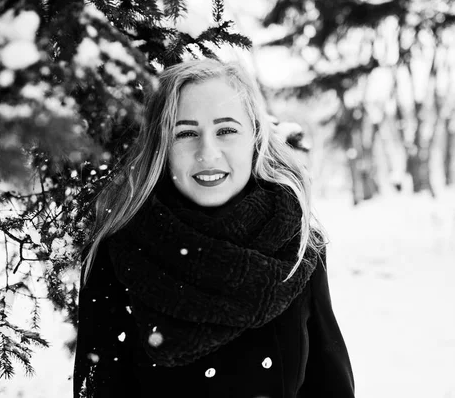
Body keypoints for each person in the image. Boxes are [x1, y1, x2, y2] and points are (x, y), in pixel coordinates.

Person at [73, 58, 355, 397]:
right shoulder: (120, 248)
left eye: (226, 130)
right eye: (186, 133)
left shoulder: (297, 245)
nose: (207, 152)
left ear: (254, 136)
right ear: (162, 146)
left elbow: (329, 384)